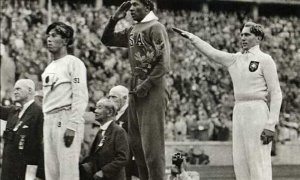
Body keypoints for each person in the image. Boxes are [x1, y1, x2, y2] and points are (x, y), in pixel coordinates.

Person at [173, 22, 282, 180]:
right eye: (242, 34)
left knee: (258, 158)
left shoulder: (265, 60)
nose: (243, 37)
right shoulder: (235, 59)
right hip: (239, 110)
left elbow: (276, 92)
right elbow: (212, 53)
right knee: (240, 159)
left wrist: (271, 124)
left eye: (247, 34)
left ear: (258, 38)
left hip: (258, 110)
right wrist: (192, 38)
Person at [101, 1, 170, 180]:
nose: (131, 9)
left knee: (152, 148)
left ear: (147, 7)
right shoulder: (133, 29)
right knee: (137, 147)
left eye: (136, 5)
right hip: (136, 86)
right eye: (130, 5)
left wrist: (146, 85)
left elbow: (164, 62)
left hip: (152, 86)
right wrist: (114, 19)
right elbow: (107, 40)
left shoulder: (156, 27)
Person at [41, 22, 88, 180]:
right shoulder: (49, 68)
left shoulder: (74, 63)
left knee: (67, 170)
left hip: (66, 117)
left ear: (66, 41)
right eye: (48, 35)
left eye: (54, 35)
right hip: (49, 119)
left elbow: (80, 95)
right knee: (51, 170)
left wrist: (73, 125)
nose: (49, 39)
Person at [0, 79, 44, 180]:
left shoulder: (38, 113)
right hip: (8, 165)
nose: (15, 92)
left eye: (18, 89)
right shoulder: (13, 110)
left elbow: (41, 144)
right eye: (14, 89)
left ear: (29, 90)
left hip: (25, 166)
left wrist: (39, 173)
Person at [79, 98, 129, 180]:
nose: (95, 111)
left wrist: (104, 172)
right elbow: (94, 156)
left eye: (99, 108)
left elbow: (122, 158)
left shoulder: (119, 131)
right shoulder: (100, 131)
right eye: (96, 108)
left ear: (109, 112)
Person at [108, 85, 139, 180]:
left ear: (125, 98)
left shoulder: (133, 113)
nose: (110, 100)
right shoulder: (113, 114)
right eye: (109, 97)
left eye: (114, 97)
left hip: (128, 161)